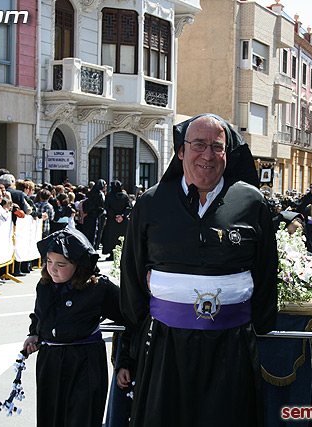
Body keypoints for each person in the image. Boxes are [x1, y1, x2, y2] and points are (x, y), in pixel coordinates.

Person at [120, 114, 277, 426]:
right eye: (199, 145)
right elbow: (133, 273)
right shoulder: (151, 203)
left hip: (231, 346)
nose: (208, 155)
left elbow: (266, 269)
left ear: (227, 154)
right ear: (181, 152)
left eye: (217, 147)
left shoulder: (251, 202)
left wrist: (260, 322)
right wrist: (135, 333)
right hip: (167, 348)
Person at [22, 227, 123, 427]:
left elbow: (129, 316)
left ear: (79, 265)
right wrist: (34, 334)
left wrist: (125, 361)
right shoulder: (44, 286)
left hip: (84, 361)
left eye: (61, 264)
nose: (52, 269)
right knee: (51, 416)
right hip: (50, 362)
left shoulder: (98, 288)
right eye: (49, 262)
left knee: (81, 417)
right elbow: (39, 316)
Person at [101, 180, 132, 259]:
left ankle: (113, 254)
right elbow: (129, 207)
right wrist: (122, 216)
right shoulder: (125, 196)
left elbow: (107, 207)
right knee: (122, 236)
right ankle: (122, 254)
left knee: (112, 237)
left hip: (112, 220)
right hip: (122, 220)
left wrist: (115, 215)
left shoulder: (109, 196)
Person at [82, 179, 106, 248]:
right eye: (105, 184)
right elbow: (93, 205)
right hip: (94, 216)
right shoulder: (98, 194)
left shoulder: (99, 193)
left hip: (97, 215)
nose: (106, 186)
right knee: (94, 233)